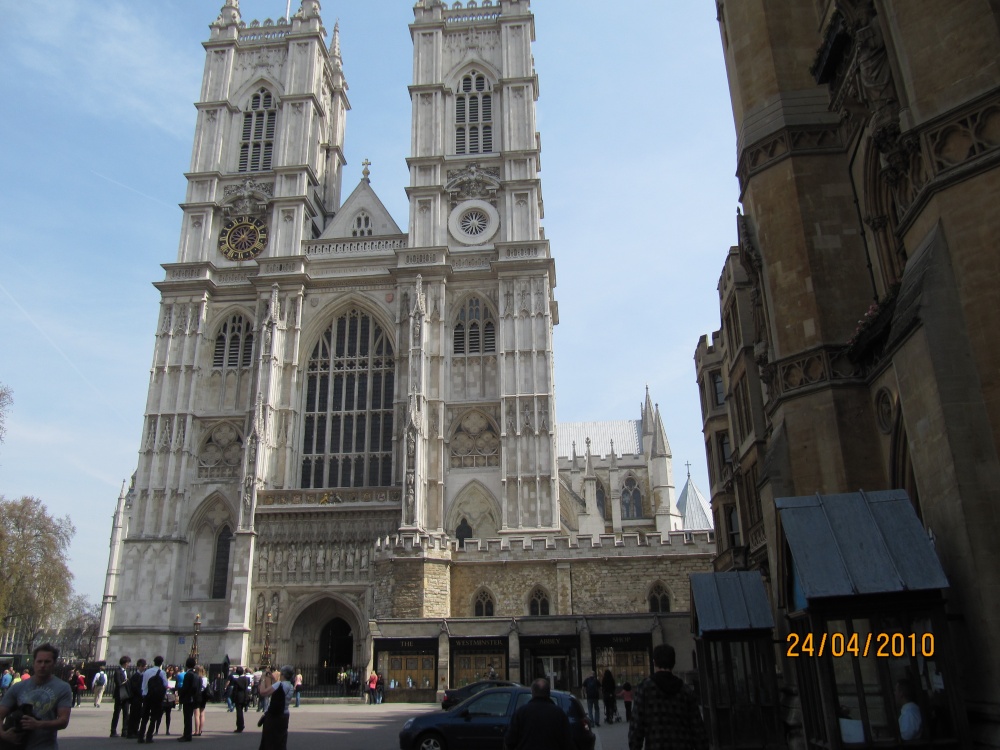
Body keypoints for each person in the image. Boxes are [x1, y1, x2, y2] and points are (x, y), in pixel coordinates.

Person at [628, 643, 708, 750]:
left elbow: (636, 728)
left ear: (654, 662)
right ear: (673, 662)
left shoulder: (644, 689)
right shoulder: (686, 691)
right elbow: (698, 729)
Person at [0, 643, 73, 749]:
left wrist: (38, 724)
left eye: (47, 661)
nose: (42, 665)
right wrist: (3, 734)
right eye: (39, 661)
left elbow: (63, 721)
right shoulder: (18, 687)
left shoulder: (63, 687)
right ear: (34, 663)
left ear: (54, 663)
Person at [503, 678, 573, 750]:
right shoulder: (559, 714)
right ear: (549, 692)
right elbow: (567, 742)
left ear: (532, 692)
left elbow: (509, 740)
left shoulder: (521, 712)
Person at [258, 665, 294, 750]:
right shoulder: (290, 686)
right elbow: (278, 689)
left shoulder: (280, 684)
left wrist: (263, 679)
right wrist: (272, 677)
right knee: (280, 740)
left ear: (282, 675)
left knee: (269, 741)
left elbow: (263, 692)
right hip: (284, 715)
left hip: (274, 716)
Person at [138, 655, 168, 744]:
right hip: (156, 698)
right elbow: (166, 684)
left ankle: (140, 736)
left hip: (147, 696)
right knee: (153, 717)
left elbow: (143, 685)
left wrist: (144, 694)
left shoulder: (147, 672)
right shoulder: (161, 673)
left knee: (144, 717)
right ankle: (149, 736)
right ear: (161, 663)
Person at [177, 657, 202, 742]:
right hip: (194, 698)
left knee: (187, 718)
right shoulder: (197, 675)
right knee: (189, 717)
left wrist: (180, 693)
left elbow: (186, 687)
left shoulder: (188, 675)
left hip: (188, 698)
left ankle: (187, 735)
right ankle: (187, 734)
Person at [110, 655, 132, 738]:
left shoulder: (128, 671)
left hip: (126, 694)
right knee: (117, 713)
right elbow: (118, 683)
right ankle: (113, 730)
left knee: (126, 713)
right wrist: (125, 682)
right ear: (124, 663)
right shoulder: (118, 671)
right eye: (127, 663)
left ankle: (125, 730)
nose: (128, 665)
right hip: (120, 694)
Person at [126, 658, 147, 739]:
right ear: (138, 667)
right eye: (142, 666)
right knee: (133, 716)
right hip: (135, 699)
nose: (144, 668)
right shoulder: (135, 676)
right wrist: (141, 693)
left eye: (144, 666)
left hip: (140, 699)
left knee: (138, 716)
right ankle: (130, 732)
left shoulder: (143, 675)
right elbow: (135, 688)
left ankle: (135, 730)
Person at [229, 666, 250, 733]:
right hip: (245, 695)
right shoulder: (246, 679)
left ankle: (240, 726)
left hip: (239, 696)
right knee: (241, 711)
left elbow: (235, 690)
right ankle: (241, 725)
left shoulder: (237, 680)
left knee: (239, 712)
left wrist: (233, 698)